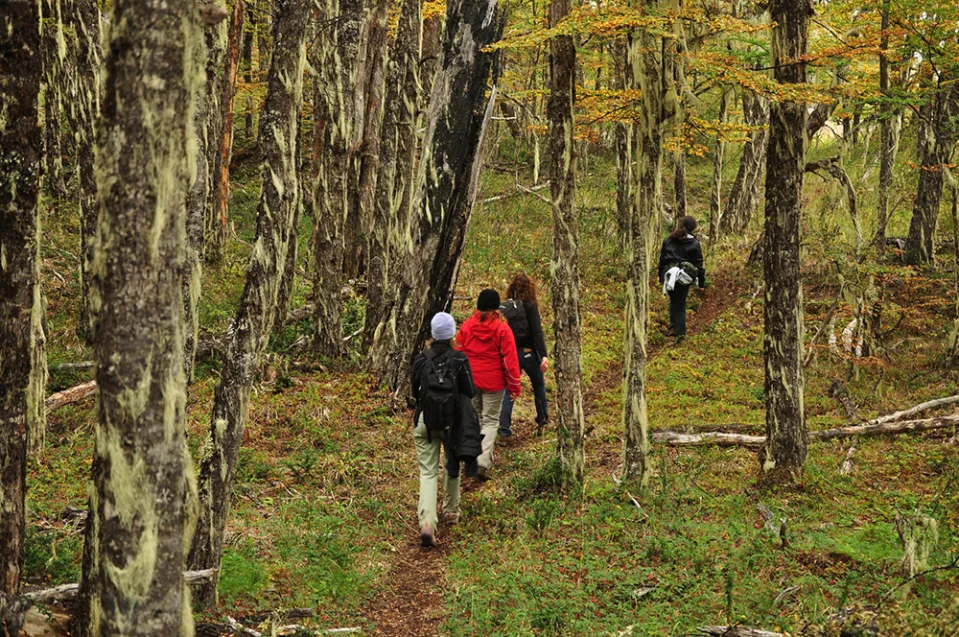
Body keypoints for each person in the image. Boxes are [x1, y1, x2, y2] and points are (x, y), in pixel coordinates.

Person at [411, 312, 481, 547]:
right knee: (452, 464)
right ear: (452, 334)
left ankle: (428, 522)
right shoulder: (460, 359)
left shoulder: (421, 359)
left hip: (425, 423)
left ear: (432, 334)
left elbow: (415, 391)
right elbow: (470, 390)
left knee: (428, 473)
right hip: (453, 423)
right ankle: (451, 510)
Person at [457, 288, 521, 480]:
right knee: (491, 420)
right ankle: (482, 461)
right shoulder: (502, 329)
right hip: (493, 382)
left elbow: (458, 352)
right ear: (496, 308)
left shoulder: (467, 327)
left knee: (476, 418)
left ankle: (472, 458)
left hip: (471, 380)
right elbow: (510, 360)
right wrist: (515, 384)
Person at [498, 274, 550, 438]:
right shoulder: (530, 306)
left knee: (509, 391)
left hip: (511, 354)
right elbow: (537, 332)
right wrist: (543, 355)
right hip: (528, 352)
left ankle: (504, 430)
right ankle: (543, 420)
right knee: (539, 385)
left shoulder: (504, 307)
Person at [657, 215, 706, 343]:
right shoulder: (694, 243)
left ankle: (674, 327)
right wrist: (701, 283)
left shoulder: (668, 239)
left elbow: (662, 259)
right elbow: (699, 264)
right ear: (693, 228)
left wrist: (660, 276)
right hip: (683, 276)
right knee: (680, 304)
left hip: (668, 273)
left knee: (674, 301)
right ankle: (680, 335)